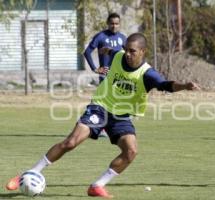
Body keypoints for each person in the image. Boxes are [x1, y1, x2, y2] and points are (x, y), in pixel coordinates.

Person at [6, 33, 199, 198]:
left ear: (143, 52)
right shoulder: (118, 55)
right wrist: (103, 52)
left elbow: (167, 85)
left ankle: (97, 186)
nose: (128, 54)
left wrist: (185, 86)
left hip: (122, 116)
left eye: (133, 51)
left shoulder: (147, 74)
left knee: (131, 151)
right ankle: (27, 173)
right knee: (71, 142)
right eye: (126, 49)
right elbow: (108, 50)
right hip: (100, 107)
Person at [84, 12, 127, 84]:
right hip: (105, 76)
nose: (114, 26)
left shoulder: (122, 37)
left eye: (116, 24)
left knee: (118, 95)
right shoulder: (101, 36)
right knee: (105, 95)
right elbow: (87, 52)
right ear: (107, 23)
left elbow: (129, 55)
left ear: (119, 24)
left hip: (119, 76)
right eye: (112, 23)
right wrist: (94, 69)